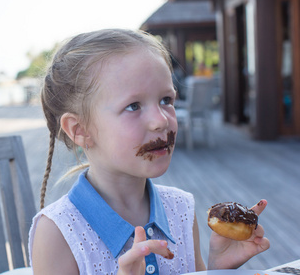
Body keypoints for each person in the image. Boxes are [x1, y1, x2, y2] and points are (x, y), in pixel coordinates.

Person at [29, 29, 270, 275]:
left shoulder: (182, 209)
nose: (161, 121)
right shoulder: (58, 232)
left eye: (166, 100)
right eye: (133, 106)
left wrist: (218, 268)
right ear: (80, 130)